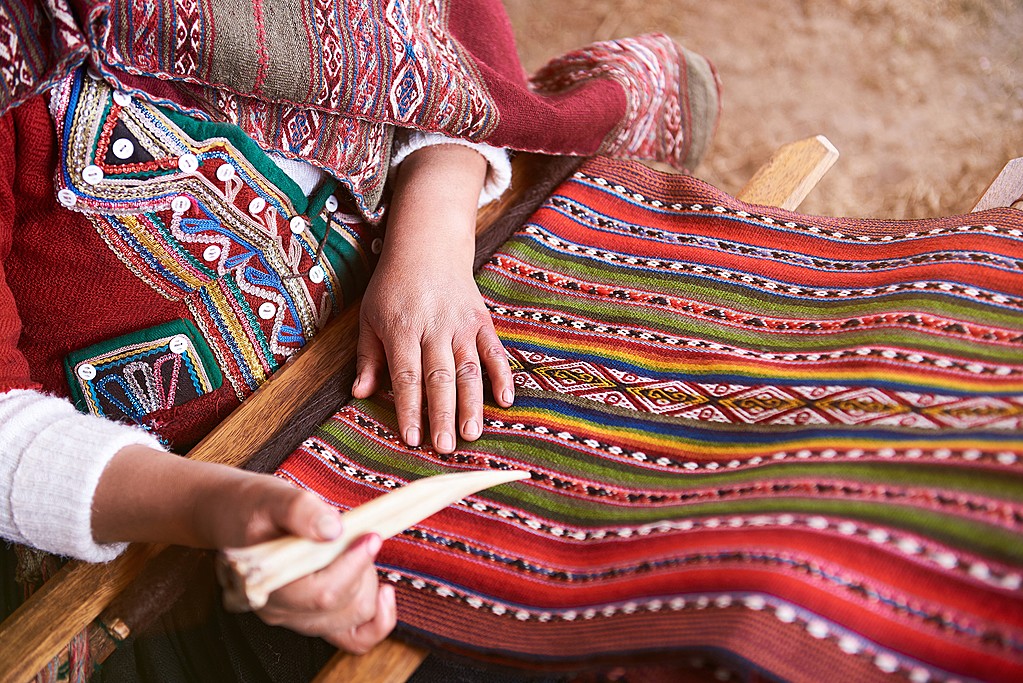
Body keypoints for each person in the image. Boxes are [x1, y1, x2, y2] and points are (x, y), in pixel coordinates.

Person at [0, 0, 719, 673]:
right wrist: (220, 508)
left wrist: (430, 244)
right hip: (169, 512)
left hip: (399, 295)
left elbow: (445, 53)